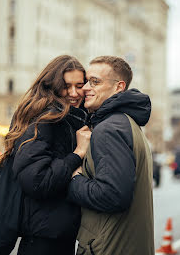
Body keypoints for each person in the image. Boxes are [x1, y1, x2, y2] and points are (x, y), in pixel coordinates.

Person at [0, 55, 91, 255]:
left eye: (79, 85)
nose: (74, 93)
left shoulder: (71, 118)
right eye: (66, 86)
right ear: (53, 86)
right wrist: (78, 153)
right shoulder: (44, 120)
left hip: (58, 232)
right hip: (43, 237)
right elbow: (38, 181)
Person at [67, 56, 154, 255]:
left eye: (95, 82)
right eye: (87, 81)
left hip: (108, 248)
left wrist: (74, 180)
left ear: (118, 87)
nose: (85, 88)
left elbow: (113, 196)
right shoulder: (127, 123)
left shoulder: (109, 129)